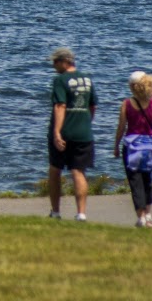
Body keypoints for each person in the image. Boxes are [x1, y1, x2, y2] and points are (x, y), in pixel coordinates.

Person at [47, 48, 97, 221]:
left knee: (55, 170)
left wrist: (56, 132)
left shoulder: (60, 80)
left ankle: (55, 212)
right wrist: (85, 123)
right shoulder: (87, 79)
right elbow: (92, 106)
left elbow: (60, 106)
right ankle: (81, 214)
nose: (53, 66)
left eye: (55, 62)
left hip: (65, 132)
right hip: (84, 132)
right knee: (78, 171)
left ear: (64, 61)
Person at [113, 72, 152, 227]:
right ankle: (148, 216)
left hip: (132, 148)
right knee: (147, 181)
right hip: (149, 148)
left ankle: (140, 217)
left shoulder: (127, 104)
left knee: (135, 182)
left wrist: (115, 145)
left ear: (133, 87)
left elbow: (121, 127)